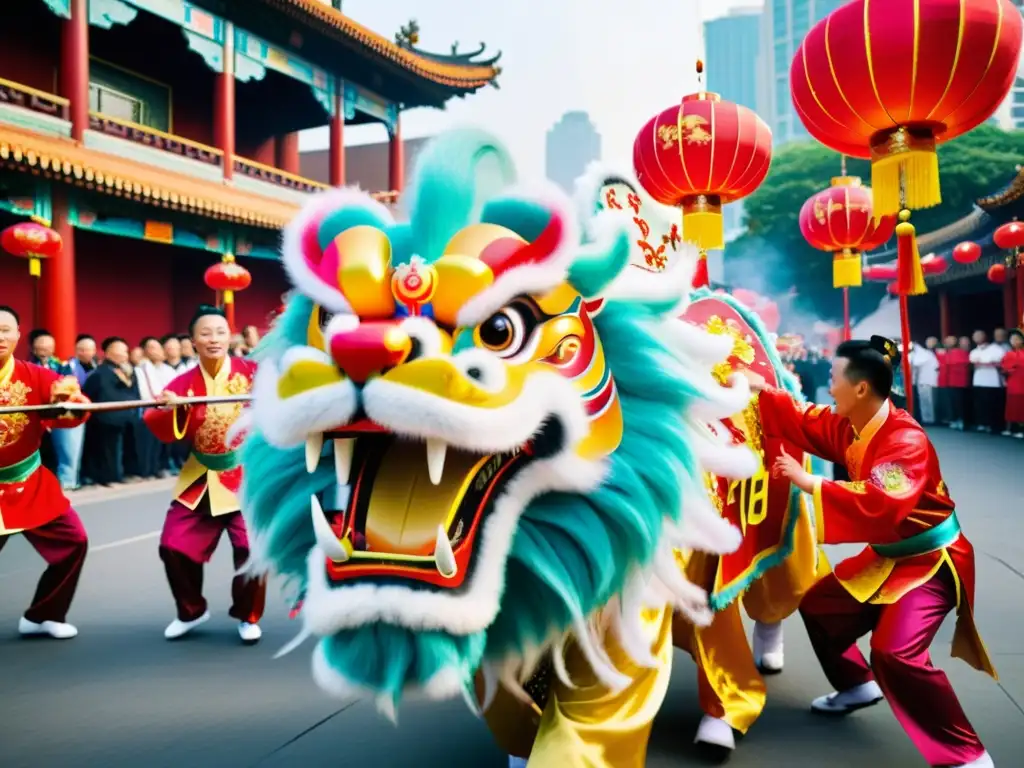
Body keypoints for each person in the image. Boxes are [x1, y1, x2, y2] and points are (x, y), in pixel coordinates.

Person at [744, 335, 995, 768]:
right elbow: (806, 419)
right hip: (888, 554)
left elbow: (883, 500)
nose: (829, 386)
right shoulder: (855, 423)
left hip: (929, 561)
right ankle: (856, 683)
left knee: (895, 653)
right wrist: (759, 391)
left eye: (833, 378)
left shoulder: (905, 440)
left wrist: (812, 483)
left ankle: (967, 756)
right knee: (820, 605)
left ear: (860, 387)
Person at [144, 305, 265, 644]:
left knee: (251, 550)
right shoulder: (181, 383)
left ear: (230, 336)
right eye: (206, 333)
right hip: (201, 477)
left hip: (246, 477)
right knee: (173, 546)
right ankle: (191, 610)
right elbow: (158, 425)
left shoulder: (255, 373)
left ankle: (248, 615)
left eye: (220, 332)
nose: (214, 339)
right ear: (193, 341)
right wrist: (169, 406)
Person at [0, 305, 91, 639]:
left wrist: (68, 401)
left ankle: (45, 614)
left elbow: (72, 404)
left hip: (29, 482)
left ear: (18, 334)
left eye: (5, 329)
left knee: (73, 542)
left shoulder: (34, 375)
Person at [82, 337, 140, 486]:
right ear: (107, 353)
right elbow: (89, 395)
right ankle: (109, 477)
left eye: (125, 351)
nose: (123, 354)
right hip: (106, 419)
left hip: (127, 418)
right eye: (118, 350)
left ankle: (125, 473)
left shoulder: (128, 371)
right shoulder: (99, 374)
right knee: (109, 451)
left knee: (127, 448)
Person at [53, 334, 97, 490]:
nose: (87, 352)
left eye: (90, 349)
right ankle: (67, 482)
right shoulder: (67, 367)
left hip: (94, 415)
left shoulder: (97, 367)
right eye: (82, 349)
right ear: (77, 351)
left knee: (86, 450)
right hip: (74, 413)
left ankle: (82, 477)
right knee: (69, 450)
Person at [134, 336, 172, 479]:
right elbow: (146, 390)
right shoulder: (142, 368)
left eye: (157, 347)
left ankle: (158, 468)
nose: (155, 351)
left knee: (159, 443)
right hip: (150, 408)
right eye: (151, 347)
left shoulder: (165, 368)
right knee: (147, 443)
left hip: (165, 409)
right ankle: (146, 471)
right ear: (145, 351)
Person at [969, 330, 1006, 434]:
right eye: (975, 336)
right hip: (978, 380)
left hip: (992, 381)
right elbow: (972, 362)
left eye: (979, 335)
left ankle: (994, 425)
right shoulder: (974, 351)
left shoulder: (996, 349)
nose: (977, 337)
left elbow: (1000, 361)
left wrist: (985, 362)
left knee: (993, 404)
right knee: (980, 404)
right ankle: (982, 423)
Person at [910, 337, 940, 425]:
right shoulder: (925, 353)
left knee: (927, 401)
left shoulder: (924, 353)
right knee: (925, 401)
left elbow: (915, 362)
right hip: (923, 381)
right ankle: (926, 418)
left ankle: (929, 419)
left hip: (926, 381)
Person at [1000, 329, 1024, 438]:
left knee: (1021, 406)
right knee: (1012, 406)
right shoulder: (1008, 354)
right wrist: (1008, 370)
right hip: (1013, 383)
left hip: (1022, 382)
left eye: (1017, 339)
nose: (1014, 341)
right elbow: (1004, 368)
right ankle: (1010, 428)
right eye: (1012, 339)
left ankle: (1021, 429)